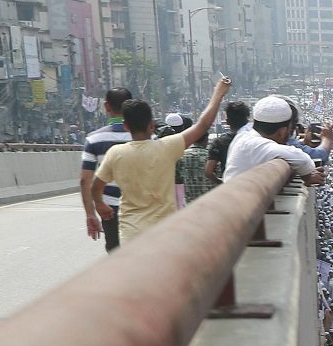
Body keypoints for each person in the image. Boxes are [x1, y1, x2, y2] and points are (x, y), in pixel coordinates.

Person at [92, 77, 232, 244]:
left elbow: (96, 186)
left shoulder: (115, 153)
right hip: (164, 234)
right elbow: (203, 125)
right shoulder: (167, 147)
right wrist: (218, 93)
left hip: (131, 236)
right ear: (151, 125)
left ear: (126, 126)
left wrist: (100, 205)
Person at [222, 94, 326, 185]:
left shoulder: (245, 134)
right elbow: (303, 160)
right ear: (282, 132)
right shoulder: (258, 144)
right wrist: (308, 176)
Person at [79, 86, 132, 249]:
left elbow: (84, 181)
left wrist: (90, 214)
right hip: (143, 206)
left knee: (116, 254)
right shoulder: (149, 137)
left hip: (109, 208)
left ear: (106, 107)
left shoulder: (94, 139)